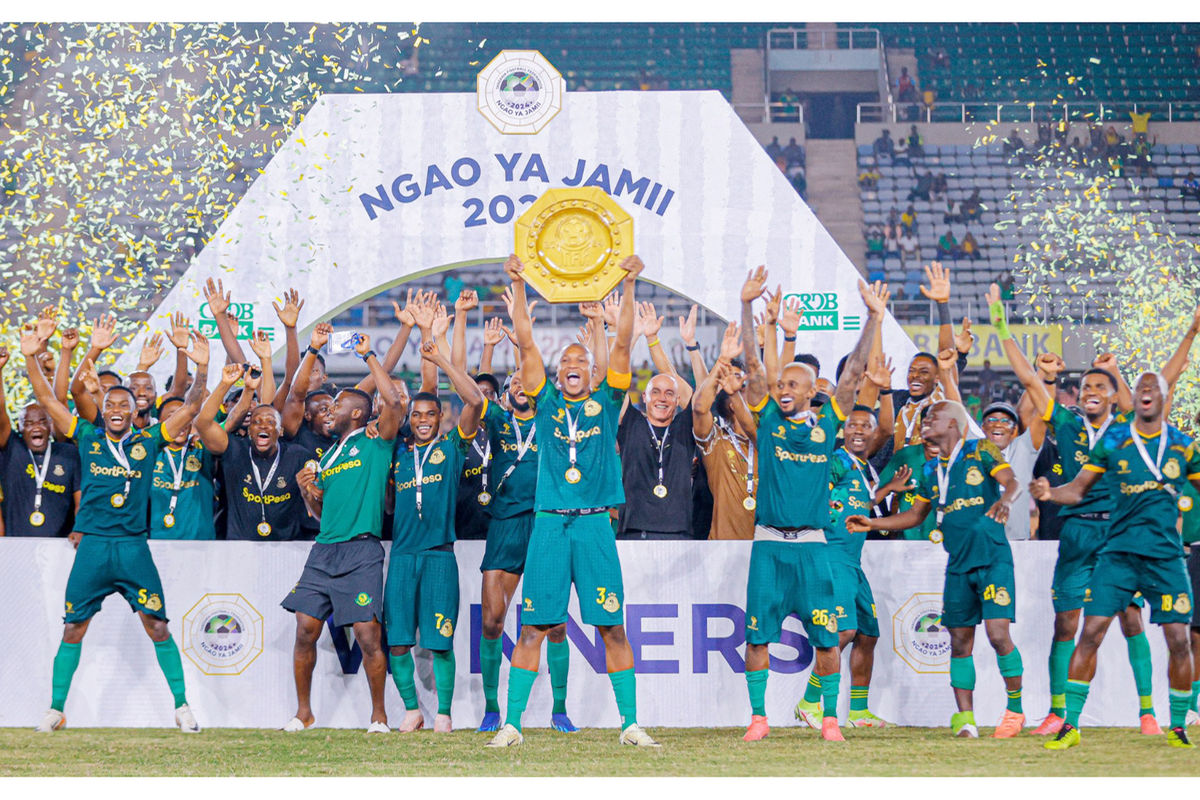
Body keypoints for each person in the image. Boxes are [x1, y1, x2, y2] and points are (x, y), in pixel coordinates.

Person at [486, 252, 659, 748]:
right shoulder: (544, 402)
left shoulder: (607, 400)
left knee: (612, 629)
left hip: (594, 526)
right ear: (557, 376)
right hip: (548, 525)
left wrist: (629, 285)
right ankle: (513, 724)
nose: (572, 366)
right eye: (565, 363)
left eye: (580, 361)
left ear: (592, 372)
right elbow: (525, 342)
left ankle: (629, 724)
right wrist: (519, 284)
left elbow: (622, 342)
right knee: (532, 629)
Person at [22, 317, 208, 734]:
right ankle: (55, 709)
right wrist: (32, 357)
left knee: (157, 625)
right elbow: (46, 398)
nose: (118, 411)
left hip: (132, 548)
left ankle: (182, 706)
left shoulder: (150, 440)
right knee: (74, 627)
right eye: (111, 405)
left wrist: (202, 367)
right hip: (92, 547)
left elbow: (192, 408)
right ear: (102, 410)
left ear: (135, 411)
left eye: (125, 405)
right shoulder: (87, 436)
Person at [738, 265, 885, 743]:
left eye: (792, 386)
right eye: (781, 385)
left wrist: (873, 319)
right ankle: (758, 718)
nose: (783, 391)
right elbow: (753, 367)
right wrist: (746, 305)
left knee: (826, 639)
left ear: (811, 391)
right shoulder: (768, 421)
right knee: (757, 635)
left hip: (815, 548)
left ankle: (828, 720)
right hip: (769, 546)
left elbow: (855, 373)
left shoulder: (827, 427)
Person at [1032, 372, 1200, 750]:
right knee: (1087, 630)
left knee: (1166, 634)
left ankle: (1166, 721)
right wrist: (1051, 492)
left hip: (1157, 551)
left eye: (1152, 389)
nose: (1145, 394)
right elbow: (1077, 488)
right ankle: (1067, 721)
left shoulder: (1176, 445)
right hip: (1110, 546)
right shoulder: (1109, 439)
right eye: (1140, 389)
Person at [848, 400, 1025, 738]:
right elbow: (915, 515)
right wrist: (872, 522)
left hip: (993, 559)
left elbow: (1012, 481)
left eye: (934, 417)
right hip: (957, 565)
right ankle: (966, 720)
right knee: (959, 641)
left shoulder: (981, 449)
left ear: (954, 424)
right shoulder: (931, 470)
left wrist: (1005, 500)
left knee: (998, 635)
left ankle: (1015, 710)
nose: (926, 421)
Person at [284, 324, 405, 733]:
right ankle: (304, 713)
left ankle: (379, 715)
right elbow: (321, 514)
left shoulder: (375, 441)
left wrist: (368, 356)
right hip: (324, 549)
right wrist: (308, 493)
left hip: (361, 550)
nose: (328, 410)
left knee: (368, 635)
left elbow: (393, 403)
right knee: (305, 629)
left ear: (357, 413)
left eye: (336, 405)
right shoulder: (328, 457)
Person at [385, 303, 484, 734]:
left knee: (440, 642)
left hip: (440, 557)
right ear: (409, 420)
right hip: (402, 556)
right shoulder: (397, 453)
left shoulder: (452, 448)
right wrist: (423, 332)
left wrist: (439, 354)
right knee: (398, 641)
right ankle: (412, 710)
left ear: (442, 418)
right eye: (417, 415)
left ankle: (444, 712)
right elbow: (414, 391)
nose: (423, 420)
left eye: (431, 414)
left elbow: (475, 400)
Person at [793, 363, 904, 729]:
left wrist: (886, 491)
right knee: (842, 632)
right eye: (852, 425)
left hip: (853, 562)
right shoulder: (838, 460)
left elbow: (858, 503)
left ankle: (858, 712)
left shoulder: (863, 469)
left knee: (868, 633)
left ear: (872, 434)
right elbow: (819, 489)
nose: (858, 431)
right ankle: (809, 702)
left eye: (865, 426)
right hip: (832, 556)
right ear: (842, 431)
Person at [195, 365, 312, 541]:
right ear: (249, 430)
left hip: (286, 547)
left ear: (280, 431)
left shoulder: (298, 456)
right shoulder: (234, 449)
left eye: (270, 422)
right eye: (256, 422)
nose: (263, 425)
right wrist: (226, 384)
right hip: (240, 546)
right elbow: (202, 423)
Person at [617, 303, 696, 540]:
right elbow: (616, 381)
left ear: (677, 400)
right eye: (656, 392)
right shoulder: (631, 424)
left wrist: (653, 340)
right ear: (644, 397)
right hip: (633, 531)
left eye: (669, 394)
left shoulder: (683, 427)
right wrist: (634, 337)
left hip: (679, 533)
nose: (662, 398)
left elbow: (687, 392)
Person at [0, 350, 81, 538]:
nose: (36, 427)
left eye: (42, 421)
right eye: (28, 423)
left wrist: (80, 530)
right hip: (15, 547)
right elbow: (0, 412)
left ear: (51, 425)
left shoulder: (68, 453)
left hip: (59, 547)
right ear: (19, 427)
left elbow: (81, 501)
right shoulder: (12, 448)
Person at [694, 325, 758, 540]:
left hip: (765, 543)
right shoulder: (716, 439)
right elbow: (700, 408)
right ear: (732, 403)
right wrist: (722, 361)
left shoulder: (768, 441)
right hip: (722, 546)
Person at [147, 395, 217, 540]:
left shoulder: (201, 449)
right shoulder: (148, 452)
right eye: (173, 418)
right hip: (156, 543)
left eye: (186, 419)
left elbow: (228, 423)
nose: (181, 424)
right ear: (160, 424)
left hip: (200, 545)